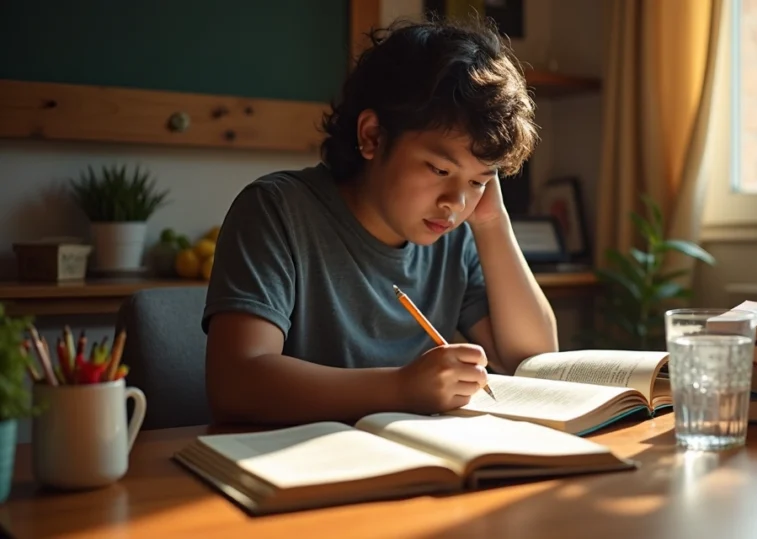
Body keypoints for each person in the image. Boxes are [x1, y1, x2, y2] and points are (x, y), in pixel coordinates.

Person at [201, 16, 558, 426]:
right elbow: (235, 384)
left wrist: (493, 222)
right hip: (287, 465)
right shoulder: (277, 210)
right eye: (440, 171)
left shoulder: (454, 234)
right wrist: (400, 389)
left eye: (480, 179)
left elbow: (533, 360)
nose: (455, 203)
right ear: (372, 136)